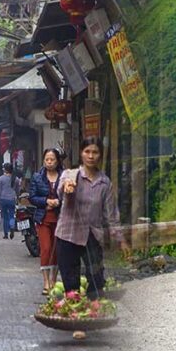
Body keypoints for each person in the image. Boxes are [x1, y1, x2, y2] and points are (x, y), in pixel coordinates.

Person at [55, 137, 128, 321]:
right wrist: (67, 188)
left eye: (95, 152)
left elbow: (111, 215)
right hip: (68, 235)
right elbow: (61, 192)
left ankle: (92, 316)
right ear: (81, 153)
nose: (91, 156)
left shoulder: (105, 183)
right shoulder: (70, 175)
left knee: (96, 278)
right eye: (87, 151)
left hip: (92, 236)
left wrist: (120, 240)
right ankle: (74, 319)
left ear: (100, 155)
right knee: (70, 280)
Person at [29, 148, 63, 293]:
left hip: (60, 219)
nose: (49, 163)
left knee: (57, 250)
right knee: (46, 249)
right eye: (47, 160)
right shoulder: (37, 177)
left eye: (52, 160)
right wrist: (46, 201)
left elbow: (70, 195)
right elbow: (32, 196)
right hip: (43, 218)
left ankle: (54, 280)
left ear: (57, 161)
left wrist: (59, 202)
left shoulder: (64, 176)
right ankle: (46, 281)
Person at [0, 162, 19, 239]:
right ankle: (12, 227)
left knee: (5, 217)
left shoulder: (1, 178)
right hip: (12, 199)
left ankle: (6, 234)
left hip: (3, 199)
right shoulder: (16, 179)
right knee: (11, 215)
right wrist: (18, 198)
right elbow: (17, 190)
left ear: (6, 170)